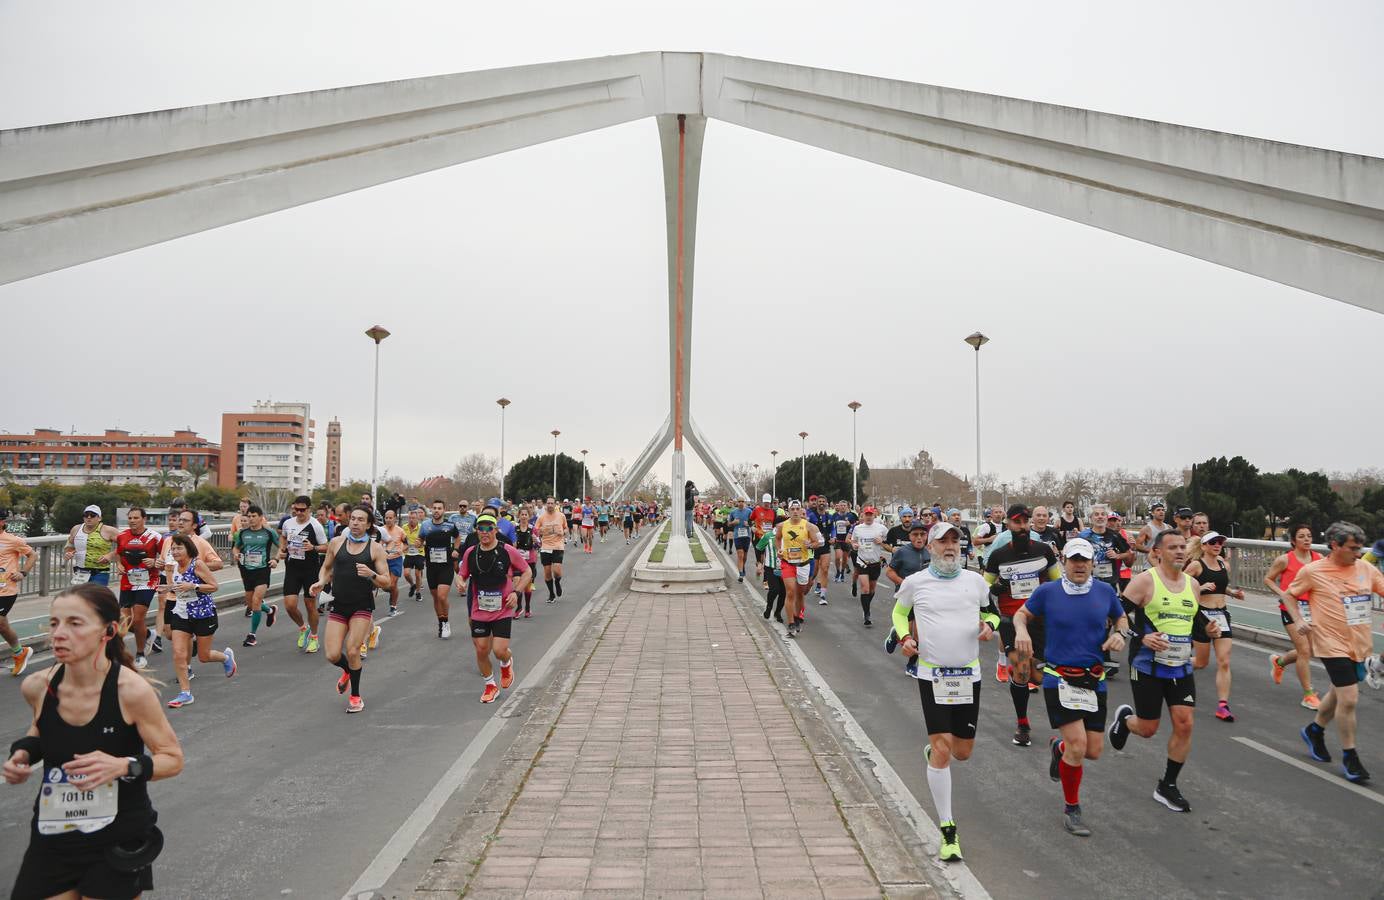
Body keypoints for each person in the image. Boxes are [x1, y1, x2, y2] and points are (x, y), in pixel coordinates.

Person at [5, 583, 183, 900]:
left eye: (75, 623)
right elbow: (39, 735)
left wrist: (123, 766)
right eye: (54, 623)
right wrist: (21, 754)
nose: (58, 633)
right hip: (54, 833)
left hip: (118, 836)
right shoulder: (37, 686)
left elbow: (172, 759)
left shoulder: (130, 691)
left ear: (108, 630)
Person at [891, 521, 999, 861]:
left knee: (962, 753)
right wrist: (905, 638)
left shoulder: (975, 581)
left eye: (955, 541)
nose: (950, 546)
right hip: (932, 674)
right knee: (942, 749)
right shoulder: (915, 582)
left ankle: (936, 754)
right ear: (932, 547)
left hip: (968, 675)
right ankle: (948, 830)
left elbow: (992, 613)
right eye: (943, 541)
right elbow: (898, 611)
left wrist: (989, 626)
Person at [1014, 538, 1128, 837]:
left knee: (1092, 751)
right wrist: (1022, 630)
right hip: (1059, 677)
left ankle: (1059, 749)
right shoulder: (1048, 592)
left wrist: (1121, 634)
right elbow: (1021, 614)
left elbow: (1122, 618)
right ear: (1064, 560)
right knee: (1079, 746)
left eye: (1085, 560)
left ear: (1092, 563)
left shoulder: (1104, 591)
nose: (1080, 565)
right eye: (1074, 559)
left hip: (1094, 678)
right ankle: (1072, 807)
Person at [1108, 530, 1221, 812]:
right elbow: (1118, 615)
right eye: (1173, 547)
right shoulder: (1144, 582)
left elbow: (1193, 619)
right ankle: (1125, 721)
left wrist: (1207, 629)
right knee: (1148, 729)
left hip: (1180, 665)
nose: (1180, 551)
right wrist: (1140, 636)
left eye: (1183, 547)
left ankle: (1167, 785)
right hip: (1147, 664)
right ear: (1158, 552)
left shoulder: (1193, 585)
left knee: (1185, 723)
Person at [1288, 521, 1384, 783]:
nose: (1358, 553)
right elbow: (1289, 595)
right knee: (1350, 698)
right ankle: (1350, 756)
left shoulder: (1366, 568)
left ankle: (1314, 730)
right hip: (1330, 643)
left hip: (1359, 643)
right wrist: (1298, 619)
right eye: (1352, 548)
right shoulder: (1314, 571)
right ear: (1335, 545)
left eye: (1360, 547)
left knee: (1339, 690)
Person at [985, 504, 1062, 745]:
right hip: (1010, 620)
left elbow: (1057, 583)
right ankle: (1022, 723)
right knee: (1020, 671)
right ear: (1008, 524)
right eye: (1017, 522)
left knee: (1038, 677)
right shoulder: (998, 555)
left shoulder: (1043, 551)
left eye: (1025, 522)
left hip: (1039, 621)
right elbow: (983, 589)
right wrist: (997, 588)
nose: (1022, 527)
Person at [310, 506, 391, 713]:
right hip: (339, 604)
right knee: (332, 654)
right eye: (353, 519)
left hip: (362, 605)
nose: (355, 523)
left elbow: (387, 582)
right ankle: (347, 670)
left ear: (369, 524)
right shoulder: (337, 543)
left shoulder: (375, 549)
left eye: (360, 520)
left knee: (353, 649)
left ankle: (355, 696)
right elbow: (327, 568)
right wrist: (320, 582)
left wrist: (371, 574)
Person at [459, 515, 532, 703]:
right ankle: (490, 685)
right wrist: (460, 583)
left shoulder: (507, 551)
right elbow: (462, 574)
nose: (484, 532)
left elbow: (527, 571)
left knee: (499, 651)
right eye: (480, 528)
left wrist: (516, 592)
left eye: (488, 528)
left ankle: (506, 663)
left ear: (495, 530)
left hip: (503, 608)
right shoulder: (470, 553)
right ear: (476, 530)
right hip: (479, 609)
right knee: (481, 650)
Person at [162, 534, 237, 707]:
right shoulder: (172, 567)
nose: (175, 551)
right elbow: (175, 588)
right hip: (181, 613)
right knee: (178, 654)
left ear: (188, 549)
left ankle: (225, 658)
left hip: (203, 613)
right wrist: (167, 588)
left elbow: (214, 586)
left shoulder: (197, 564)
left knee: (203, 656)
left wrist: (194, 586)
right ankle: (185, 693)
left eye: (179, 548)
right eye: (173, 548)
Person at [1184, 531, 1244, 721]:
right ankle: (1173, 666)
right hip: (1201, 615)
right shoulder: (1196, 565)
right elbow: (1179, 584)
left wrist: (1233, 593)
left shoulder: (1222, 564)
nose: (1217, 545)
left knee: (1224, 661)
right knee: (1201, 662)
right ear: (1203, 546)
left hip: (1221, 615)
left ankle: (1223, 706)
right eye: (1213, 542)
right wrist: (1200, 588)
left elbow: (1220, 586)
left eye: (1220, 542)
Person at [1264, 524, 1324, 709]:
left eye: (1309, 536)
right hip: (1291, 609)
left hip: (1311, 609)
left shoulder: (1318, 558)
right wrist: (1282, 593)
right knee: (1304, 651)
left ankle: (1279, 662)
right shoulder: (1285, 560)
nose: (1306, 539)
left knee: (1311, 650)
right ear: (1293, 541)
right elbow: (1268, 579)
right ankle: (1308, 695)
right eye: (1301, 536)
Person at [114, 507, 165, 670]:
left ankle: (140, 654)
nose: (132, 521)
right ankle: (148, 635)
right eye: (130, 518)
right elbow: (119, 554)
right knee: (125, 622)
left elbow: (166, 557)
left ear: (144, 519)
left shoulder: (155, 537)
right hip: (128, 580)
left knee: (138, 619)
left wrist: (156, 563)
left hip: (148, 580)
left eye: (136, 518)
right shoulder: (122, 536)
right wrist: (119, 565)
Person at [275, 496, 327, 653]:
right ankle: (303, 628)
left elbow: (326, 546)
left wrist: (314, 547)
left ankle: (314, 637)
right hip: (292, 568)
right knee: (289, 605)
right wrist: (282, 549)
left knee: (310, 605)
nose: (298, 513)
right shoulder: (288, 523)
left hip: (310, 569)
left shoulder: (315, 526)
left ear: (309, 509)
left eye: (302, 510)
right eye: (296, 509)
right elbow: (283, 537)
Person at [231, 504, 280, 648]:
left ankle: (252, 635)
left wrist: (275, 559)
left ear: (260, 518)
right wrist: (236, 554)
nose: (251, 519)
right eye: (249, 516)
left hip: (262, 570)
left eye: (254, 516)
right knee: (251, 603)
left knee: (257, 600)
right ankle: (270, 610)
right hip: (247, 569)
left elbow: (282, 546)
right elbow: (236, 547)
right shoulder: (242, 533)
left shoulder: (269, 533)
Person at [776, 501, 822, 638]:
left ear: (801, 510)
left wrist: (810, 545)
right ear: (788, 511)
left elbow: (817, 543)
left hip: (803, 563)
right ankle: (790, 624)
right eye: (792, 509)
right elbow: (777, 539)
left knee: (800, 594)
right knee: (790, 592)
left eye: (797, 509)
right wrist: (779, 549)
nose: (795, 511)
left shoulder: (809, 526)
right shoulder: (782, 526)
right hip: (787, 562)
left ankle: (797, 617)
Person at [1, 508, 37, 676]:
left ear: (2, 522)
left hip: (6, 589)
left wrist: (22, 572)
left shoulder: (13, 540)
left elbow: (32, 555)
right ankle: (19, 652)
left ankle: (19, 652)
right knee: (2, 626)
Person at [421, 500, 461, 638]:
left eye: (439, 508)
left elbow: (457, 537)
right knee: (435, 597)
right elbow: (420, 539)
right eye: (434, 508)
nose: (436, 510)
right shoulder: (425, 525)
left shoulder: (449, 525)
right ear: (431, 510)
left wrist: (456, 549)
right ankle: (441, 622)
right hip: (431, 566)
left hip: (446, 565)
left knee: (442, 595)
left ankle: (446, 622)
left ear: (444, 510)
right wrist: (418, 542)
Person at [850, 507, 889, 627]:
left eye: (870, 514)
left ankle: (866, 605)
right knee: (865, 589)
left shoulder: (881, 528)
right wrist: (855, 545)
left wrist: (881, 541)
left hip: (875, 562)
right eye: (866, 514)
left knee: (872, 590)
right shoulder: (858, 528)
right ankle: (867, 614)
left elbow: (888, 542)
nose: (868, 516)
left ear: (874, 515)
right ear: (863, 515)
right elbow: (853, 541)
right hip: (862, 561)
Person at [64, 504, 119, 588]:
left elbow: (125, 544)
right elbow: (70, 544)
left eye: (92, 515)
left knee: (95, 598)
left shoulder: (108, 530)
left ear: (99, 518)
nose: (89, 517)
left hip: (100, 572)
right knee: (81, 599)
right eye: (86, 515)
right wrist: (68, 553)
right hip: (80, 572)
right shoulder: (76, 529)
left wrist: (110, 555)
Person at [537, 498, 568, 602]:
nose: (550, 505)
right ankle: (551, 594)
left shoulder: (561, 516)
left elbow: (566, 528)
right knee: (547, 573)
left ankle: (557, 582)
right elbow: (536, 531)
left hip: (558, 546)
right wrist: (540, 531)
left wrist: (563, 532)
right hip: (545, 546)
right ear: (546, 504)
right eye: (548, 503)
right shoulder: (541, 518)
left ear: (555, 504)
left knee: (557, 571)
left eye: (552, 503)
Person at [757, 515, 786, 622]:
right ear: (776, 525)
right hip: (771, 567)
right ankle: (769, 608)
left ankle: (778, 612)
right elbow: (759, 548)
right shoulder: (768, 536)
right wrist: (759, 563)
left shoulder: (787, 536)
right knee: (774, 589)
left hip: (785, 568)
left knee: (783, 592)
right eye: (782, 524)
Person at [381, 508, 405, 616]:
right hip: (383, 560)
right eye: (386, 518)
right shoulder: (380, 530)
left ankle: (393, 607)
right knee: (386, 586)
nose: (388, 520)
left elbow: (407, 544)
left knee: (392, 584)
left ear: (395, 518)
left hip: (396, 559)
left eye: (390, 518)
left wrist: (402, 549)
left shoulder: (400, 531)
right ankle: (392, 593)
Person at [514, 509, 538, 618]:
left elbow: (539, 544)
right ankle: (519, 607)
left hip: (529, 561)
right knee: (517, 583)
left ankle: (528, 607)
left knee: (527, 587)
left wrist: (536, 540)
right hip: (517, 561)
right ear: (519, 516)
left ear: (529, 516)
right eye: (522, 514)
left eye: (525, 515)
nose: (523, 517)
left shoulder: (533, 529)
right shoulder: (515, 529)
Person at [728, 498, 754, 582]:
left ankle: (742, 567)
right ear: (737, 503)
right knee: (740, 555)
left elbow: (753, 522)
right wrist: (733, 523)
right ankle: (741, 574)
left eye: (742, 501)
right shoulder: (733, 512)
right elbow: (728, 524)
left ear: (745, 502)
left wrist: (749, 524)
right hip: (737, 536)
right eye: (739, 502)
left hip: (746, 536)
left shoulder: (749, 511)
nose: (741, 503)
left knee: (745, 556)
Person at [831, 500, 858, 583]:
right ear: (838, 506)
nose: (842, 507)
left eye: (844, 505)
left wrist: (850, 524)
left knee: (845, 559)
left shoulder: (851, 515)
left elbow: (857, 525)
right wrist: (833, 536)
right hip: (838, 539)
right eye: (841, 505)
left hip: (846, 540)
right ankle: (838, 571)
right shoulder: (835, 515)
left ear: (847, 506)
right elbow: (832, 527)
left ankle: (842, 572)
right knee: (838, 557)